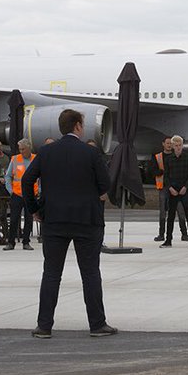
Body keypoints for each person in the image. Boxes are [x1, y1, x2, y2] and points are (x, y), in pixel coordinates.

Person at [23, 108, 118, 337]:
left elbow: (27, 180)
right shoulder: (91, 153)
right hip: (87, 220)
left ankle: (44, 325)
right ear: (77, 126)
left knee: (52, 273)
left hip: (54, 220)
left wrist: (35, 209)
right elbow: (106, 185)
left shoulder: (46, 152)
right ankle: (97, 324)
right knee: (90, 273)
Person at [160, 135, 188, 248]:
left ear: (182, 145)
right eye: (176, 145)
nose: (178, 147)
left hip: (184, 190)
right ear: (172, 146)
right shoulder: (168, 159)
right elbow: (166, 176)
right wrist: (170, 188)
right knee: (171, 216)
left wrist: (185, 187)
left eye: (180, 145)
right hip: (173, 190)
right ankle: (168, 240)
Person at [152, 136, 188, 243]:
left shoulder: (176, 156)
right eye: (167, 143)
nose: (169, 145)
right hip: (163, 187)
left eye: (170, 143)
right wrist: (163, 172)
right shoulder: (157, 157)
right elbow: (152, 170)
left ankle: (184, 234)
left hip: (175, 187)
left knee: (180, 210)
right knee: (163, 211)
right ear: (163, 144)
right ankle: (161, 234)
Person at [4, 139, 37, 250]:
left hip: (31, 195)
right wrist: (10, 190)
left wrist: (40, 190)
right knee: (13, 219)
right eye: (20, 149)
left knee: (29, 219)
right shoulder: (15, 159)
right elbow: (8, 176)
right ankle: (10, 242)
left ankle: (26, 242)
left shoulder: (35, 159)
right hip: (17, 194)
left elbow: (41, 177)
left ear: (29, 148)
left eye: (23, 149)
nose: (21, 151)